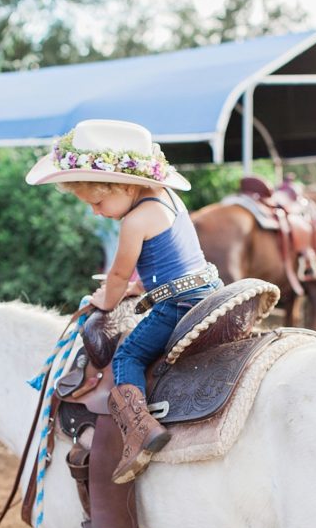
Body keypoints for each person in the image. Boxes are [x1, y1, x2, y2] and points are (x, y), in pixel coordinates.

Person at [27, 119, 220, 484]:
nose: (96, 212)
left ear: (123, 185)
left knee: (129, 355)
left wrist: (105, 301)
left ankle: (139, 428)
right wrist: (142, 288)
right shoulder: (169, 200)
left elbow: (117, 276)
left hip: (175, 304)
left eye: (98, 202)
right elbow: (171, 261)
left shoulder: (134, 221)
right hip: (205, 289)